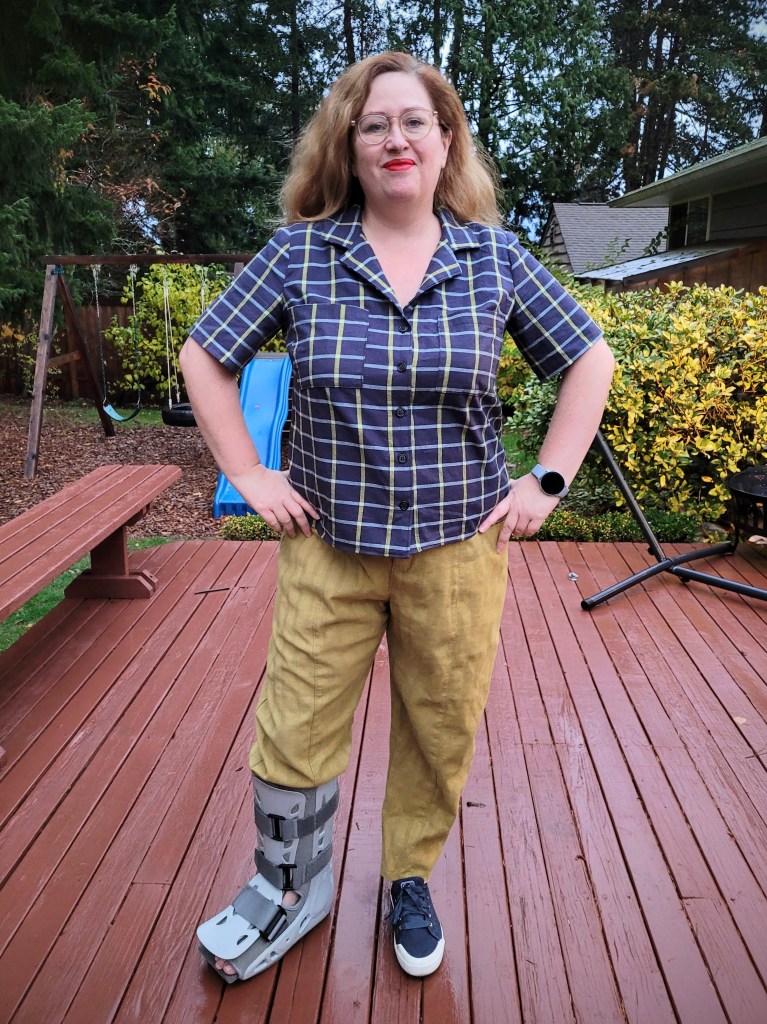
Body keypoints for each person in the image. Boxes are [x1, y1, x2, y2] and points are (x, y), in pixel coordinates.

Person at [180, 50, 615, 984]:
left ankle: (407, 878)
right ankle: (289, 889)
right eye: (373, 124)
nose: (394, 139)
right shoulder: (301, 253)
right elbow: (205, 354)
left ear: (445, 140)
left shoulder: (494, 257)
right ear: (349, 145)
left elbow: (588, 358)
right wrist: (247, 473)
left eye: (415, 121)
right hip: (327, 544)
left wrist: (545, 481)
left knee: (438, 724)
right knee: (295, 722)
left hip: (457, 550)